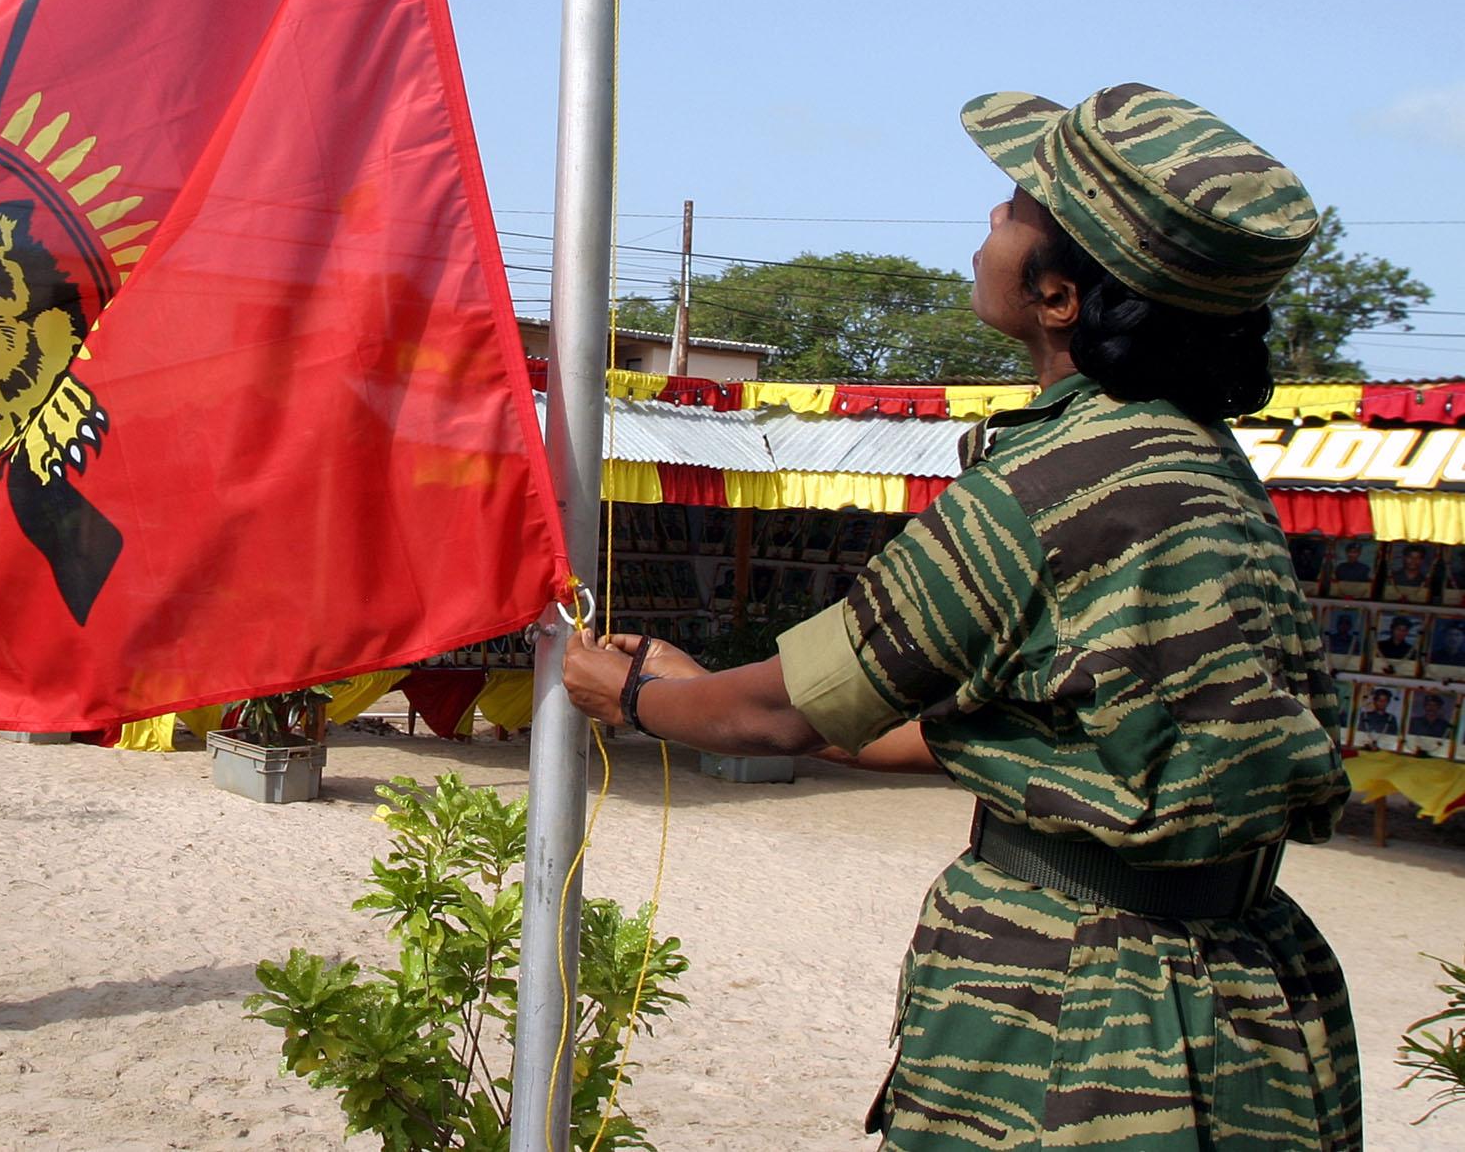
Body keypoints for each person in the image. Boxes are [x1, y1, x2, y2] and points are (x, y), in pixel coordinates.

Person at [566, 84, 1357, 1148]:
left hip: (1080, 1021)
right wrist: (690, 684)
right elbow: (1030, 735)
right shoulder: (1204, 468)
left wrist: (635, 699)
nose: (990, 220)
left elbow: (784, 719)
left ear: (1060, 295)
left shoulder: (1040, 494)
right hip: (1251, 997)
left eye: (1017, 203)